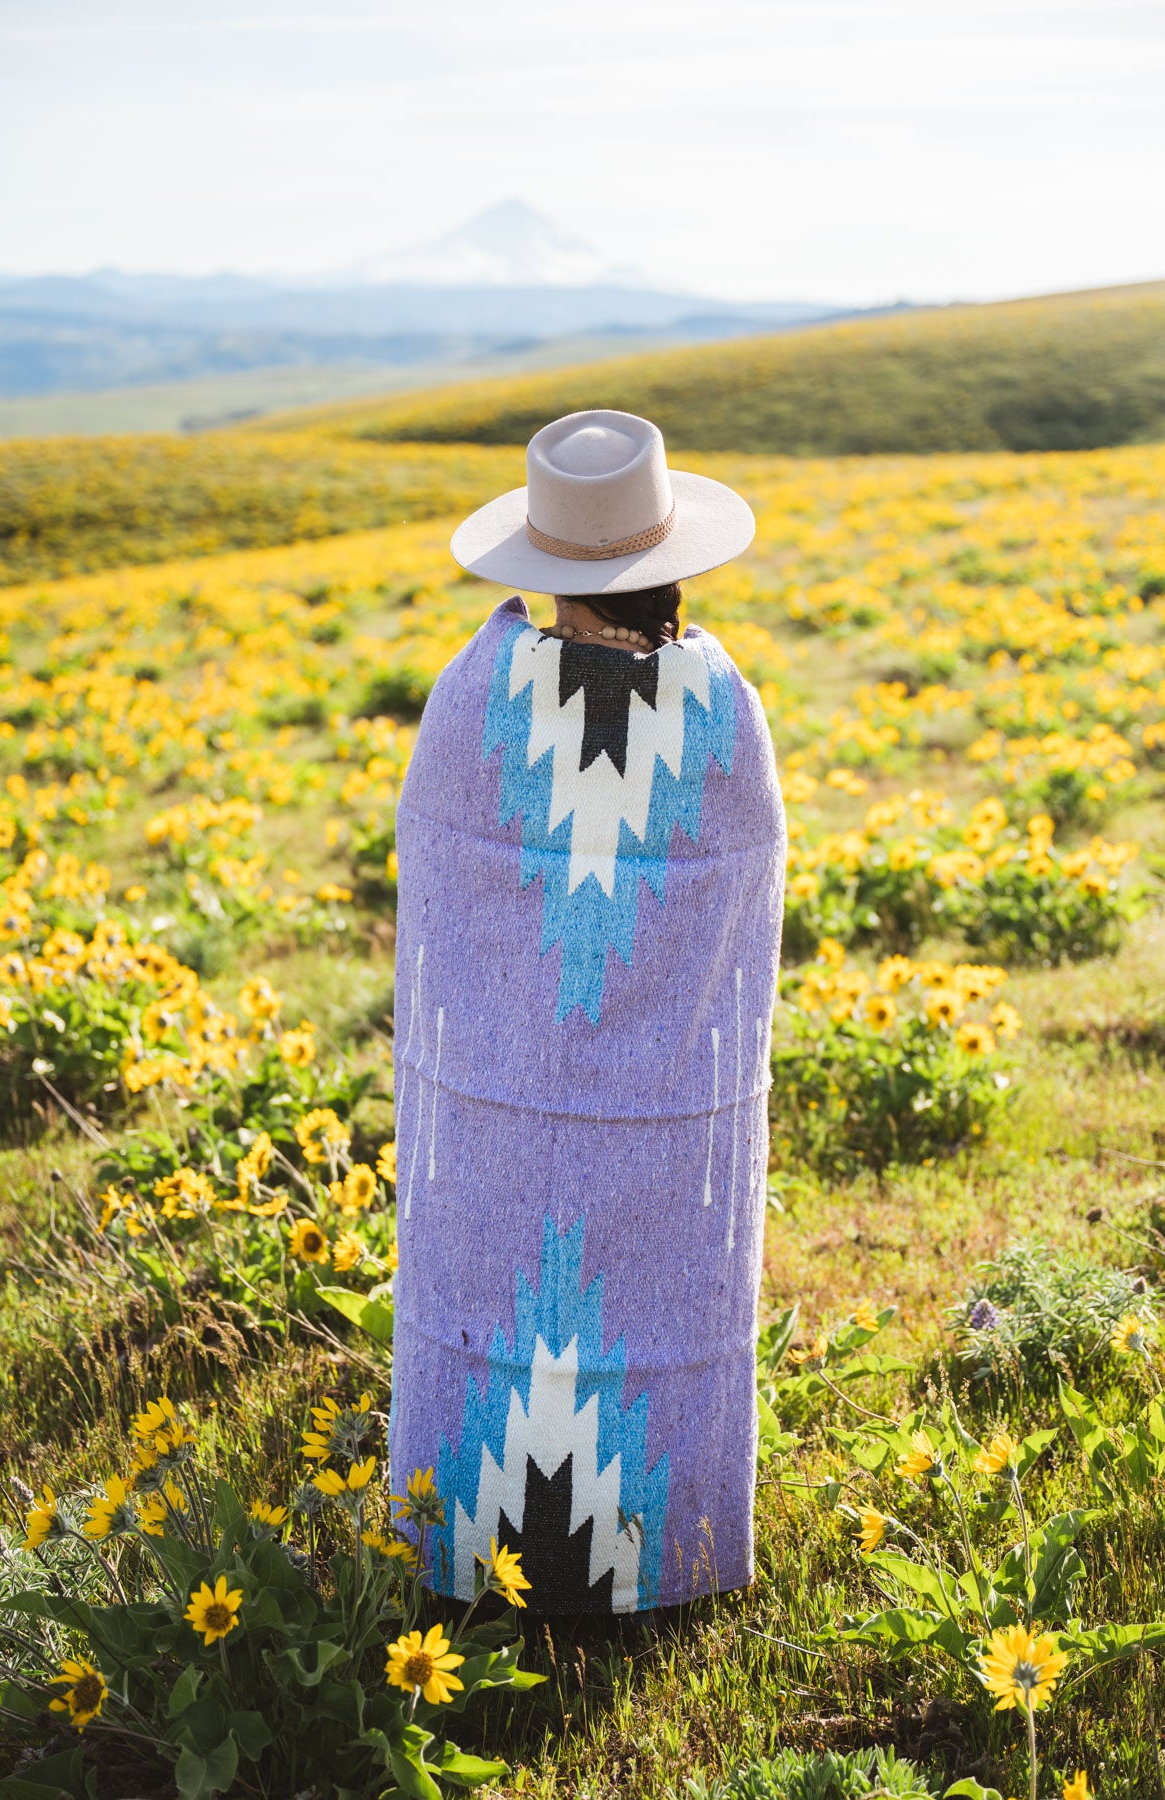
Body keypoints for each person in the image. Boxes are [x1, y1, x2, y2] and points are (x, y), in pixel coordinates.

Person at [388, 409, 786, 1613]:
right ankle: (660, 1555)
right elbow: (738, 913)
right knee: (667, 1297)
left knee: (490, 1292)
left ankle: (475, 1542)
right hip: (670, 1117)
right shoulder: (723, 712)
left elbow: (442, 883)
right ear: (675, 562)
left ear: (542, 563)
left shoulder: (470, 701)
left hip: (498, 1121)